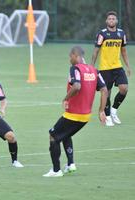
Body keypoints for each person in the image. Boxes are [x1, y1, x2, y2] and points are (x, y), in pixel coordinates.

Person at [43, 46, 108, 177]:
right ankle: (71, 164)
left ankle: (56, 171)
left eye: (70, 56)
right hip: (85, 116)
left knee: (53, 136)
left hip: (73, 114)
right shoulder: (94, 70)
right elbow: (105, 90)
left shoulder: (75, 69)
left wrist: (66, 98)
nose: (69, 59)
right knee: (65, 134)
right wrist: (101, 110)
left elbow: (77, 86)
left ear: (75, 55)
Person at [91, 11, 131, 126]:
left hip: (118, 67)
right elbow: (95, 51)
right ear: (106, 21)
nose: (112, 20)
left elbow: (123, 51)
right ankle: (107, 115)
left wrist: (128, 66)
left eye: (113, 19)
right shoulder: (102, 34)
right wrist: (91, 68)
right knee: (106, 93)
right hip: (105, 69)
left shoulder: (121, 34)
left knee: (124, 88)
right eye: (110, 19)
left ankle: (114, 110)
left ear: (116, 21)